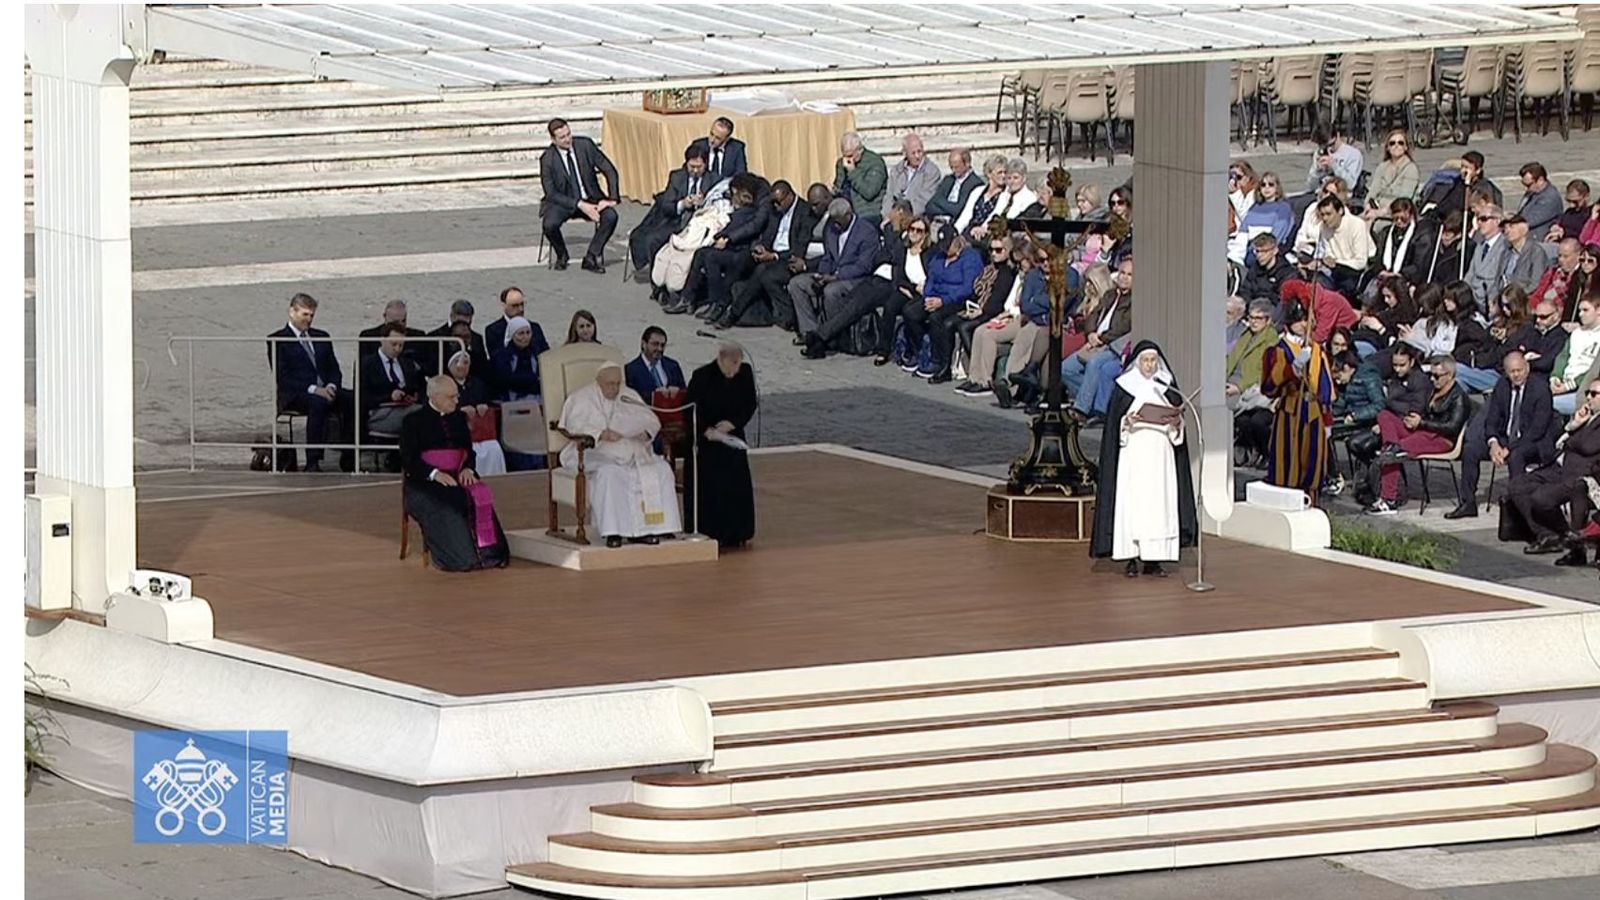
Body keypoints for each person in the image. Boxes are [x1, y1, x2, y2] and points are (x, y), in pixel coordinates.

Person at [1090, 341, 1199, 578]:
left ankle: (1154, 559)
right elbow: (1113, 429)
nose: (1149, 366)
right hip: (1134, 456)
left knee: (1159, 507)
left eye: (1153, 361)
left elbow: (1178, 429)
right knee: (1133, 506)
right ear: (1137, 362)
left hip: (1161, 456)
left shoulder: (1167, 385)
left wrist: (1176, 423)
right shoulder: (1124, 387)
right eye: (1145, 361)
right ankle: (1130, 557)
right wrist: (1126, 423)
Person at [556, 362, 682, 547]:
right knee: (610, 474)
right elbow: (573, 426)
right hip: (597, 454)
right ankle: (613, 532)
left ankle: (654, 528)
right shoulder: (581, 398)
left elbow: (651, 420)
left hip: (633, 452)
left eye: (618, 383)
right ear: (598, 381)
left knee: (661, 469)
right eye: (610, 384)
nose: (615, 388)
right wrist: (601, 434)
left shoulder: (628, 395)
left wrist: (645, 432)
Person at [399, 376, 509, 571]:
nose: (457, 401)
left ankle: (490, 555)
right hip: (424, 484)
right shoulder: (412, 421)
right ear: (435, 396)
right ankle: (464, 558)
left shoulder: (459, 418)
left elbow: (468, 451)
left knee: (479, 495)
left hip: (458, 475)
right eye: (451, 397)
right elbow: (409, 459)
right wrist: (434, 474)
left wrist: (468, 467)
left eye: (457, 396)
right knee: (449, 504)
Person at [1447, 351, 1557, 519]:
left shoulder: (1540, 389)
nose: (1516, 375)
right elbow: (1491, 420)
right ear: (1506, 372)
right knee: (1470, 449)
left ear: (1527, 368)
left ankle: (1519, 507)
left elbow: (1537, 429)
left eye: (1519, 370)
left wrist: (1509, 448)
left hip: (1533, 442)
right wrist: (1493, 443)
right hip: (1505, 439)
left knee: (1516, 456)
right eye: (1512, 371)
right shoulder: (1502, 386)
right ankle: (1468, 503)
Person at [1503, 382, 1600, 563]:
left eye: (1594, 394)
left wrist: (1575, 432)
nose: (1588, 398)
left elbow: (1588, 446)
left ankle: (1571, 538)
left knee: (1541, 499)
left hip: (1580, 474)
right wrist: (1573, 424)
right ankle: (1548, 534)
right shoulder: (1587, 417)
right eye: (1588, 393)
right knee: (1518, 486)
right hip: (1557, 466)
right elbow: (1561, 442)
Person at [1361, 357, 1469, 515]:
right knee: (1385, 416)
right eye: (1431, 374)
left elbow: (1452, 428)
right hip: (1421, 430)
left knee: (1393, 453)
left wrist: (1422, 423)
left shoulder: (1459, 398)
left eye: (1437, 376)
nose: (1432, 379)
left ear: (1450, 375)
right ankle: (1391, 444)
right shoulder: (1432, 390)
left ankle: (1389, 500)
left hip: (1441, 439)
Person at [268, 293, 353, 473]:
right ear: (292, 312)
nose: (309, 319)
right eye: (305, 315)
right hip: (296, 394)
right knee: (318, 402)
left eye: (312, 315)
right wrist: (315, 389)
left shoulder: (322, 336)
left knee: (353, 399)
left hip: (325, 389)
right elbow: (283, 377)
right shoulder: (278, 340)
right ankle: (313, 460)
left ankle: (349, 455)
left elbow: (334, 369)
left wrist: (331, 386)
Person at [684, 344, 759, 548]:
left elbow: (750, 403)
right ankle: (711, 530)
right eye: (730, 366)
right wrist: (707, 431)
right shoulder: (702, 376)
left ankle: (738, 532)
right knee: (711, 487)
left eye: (737, 365)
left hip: (732, 436)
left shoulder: (745, 373)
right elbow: (691, 410)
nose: (734, 371)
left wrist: (733, 423)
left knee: (736, 486)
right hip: (708, 441)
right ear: (721, 359)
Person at [1261, 301, 1334, 504]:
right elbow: (1268, 387)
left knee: (1313, 464)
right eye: (1299, 320)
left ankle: (1311, 503)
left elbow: (1325, 386)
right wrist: (1292, 369)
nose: (1304, 324)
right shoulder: (1278, 350)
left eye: (1307, 320)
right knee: (1287, 462)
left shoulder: (1317, 349)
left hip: (1313, 412)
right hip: (1290, 413)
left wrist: (1327, 419)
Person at [719, 179, 816, 329]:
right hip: (770, 254)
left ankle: (734, 312)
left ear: (790, 196)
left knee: (764, 272)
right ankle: (722, 302)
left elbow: (799, 248)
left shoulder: (804, 213)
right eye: (774, 203)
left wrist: (774, 256)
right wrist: (761, 247)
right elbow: (767, 234)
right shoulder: (774, 209)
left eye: (779, 202)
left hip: (788, 258)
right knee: (742, 259)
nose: (776, 206)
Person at [538, 117, 620, 273]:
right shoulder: (547, 159)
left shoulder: (585, 146)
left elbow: (609, 169)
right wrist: (580, 205)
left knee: (610, 216)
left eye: (569, 134)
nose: (568, 139)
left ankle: (591, 256)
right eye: (562, 137)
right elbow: (551, 193)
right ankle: (562, 255)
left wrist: (612, 199)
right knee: (549, 225)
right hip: (563, 202)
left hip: (591, 197)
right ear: (553, 140)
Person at [628, 145, 709, 277]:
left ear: (705, 165)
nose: (694, 171)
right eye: (691, 166)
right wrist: (682, 204)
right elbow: (666, 204)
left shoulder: (713, 179)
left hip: (699, 225)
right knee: (652, 240)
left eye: (699, 167)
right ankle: (657, 280)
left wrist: (703, 203)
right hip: (677, 221)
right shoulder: (677, 177)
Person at [444, 349, 507, 477]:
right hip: (455, 434)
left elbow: (487, 401)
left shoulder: (477, 383)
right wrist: (459, 410)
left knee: (494, 449)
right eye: (457, 362)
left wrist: (484, 406)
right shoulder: (443, 385)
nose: (461, 366)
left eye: (466, 363)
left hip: (480, 433)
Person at [358, 323, 423, 438]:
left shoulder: (407, 363)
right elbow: (362, 396)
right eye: (394, 344)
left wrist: (412, 396)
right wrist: (389, 396)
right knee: (420, 417)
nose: (397, 349)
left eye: (401, 345)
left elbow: (417, 387)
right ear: (382, 340)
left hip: (406, 408)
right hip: (379, 412)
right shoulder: (367, 364)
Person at [1363, 129, 1420, 227]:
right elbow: (1373, 191)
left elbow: (1404, 199)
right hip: (1376, 208)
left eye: (1400, 143)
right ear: (1388, 148)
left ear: (1406, 147)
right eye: (1392, 143)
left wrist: (1380, 213)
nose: (1396, 145)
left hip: (1397, 213)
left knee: (1371, 227)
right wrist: (1368, 205)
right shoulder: (1382, 167)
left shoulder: (1411, 169)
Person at [833, 131, 888, 228]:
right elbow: (839, 187)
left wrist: (852, 172)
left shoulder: (875, 162)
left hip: (869, 211)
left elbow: (869, 192)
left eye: (850, 155)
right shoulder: (841, 164)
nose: (847, 159)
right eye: (844, 155)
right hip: (845, 210)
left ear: (859, 150)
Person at [882, 133, 942, 218]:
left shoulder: (932, 172)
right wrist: (887, 215)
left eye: (919, 152)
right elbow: (889, 196)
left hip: (915, 216)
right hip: (894, 215)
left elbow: (923, 201)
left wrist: (902, 216)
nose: (917, 156)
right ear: (905, 153)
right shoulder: (896, 171)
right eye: (913, 153)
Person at [491, 316, 549, 403]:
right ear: (512, 335)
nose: (525, 337)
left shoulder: (535, 352)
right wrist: (532, 380)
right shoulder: (503, 355)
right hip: (510, 401)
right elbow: (506, 380)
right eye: (521, 333)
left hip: (537, 399)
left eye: (528, 333)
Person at [625, 326, 686, 402]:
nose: (659, 349)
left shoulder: (673, 366)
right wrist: (654, 395)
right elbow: (629, 399)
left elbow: (685, 393)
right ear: (643, 344)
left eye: (662, 345)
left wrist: (678, 391)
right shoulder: (630, 370)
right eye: (655, 344)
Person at [925, 147, 982, 222]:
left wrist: (939, 201)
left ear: (967, 164)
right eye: (951, 167)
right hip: (937, 221)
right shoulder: (948, 180)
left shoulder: (975, 183)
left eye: (957, 167)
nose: (954, 170)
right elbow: (929, 206)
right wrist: (949, 210)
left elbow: (959, 210)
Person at [688, 116, 747, 183]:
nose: (712, 140)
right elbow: (687, 169)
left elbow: (741, 174)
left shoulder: (736, 148)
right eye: (711, 134)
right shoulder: (699, 145)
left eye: (718, 138)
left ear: (727, 139)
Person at [485, 287, 528, 356]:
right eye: (515, 306)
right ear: (504, 305)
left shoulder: (535, 328)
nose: (521, 309)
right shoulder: (493, 330)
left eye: (522, 304)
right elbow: (496, 358)